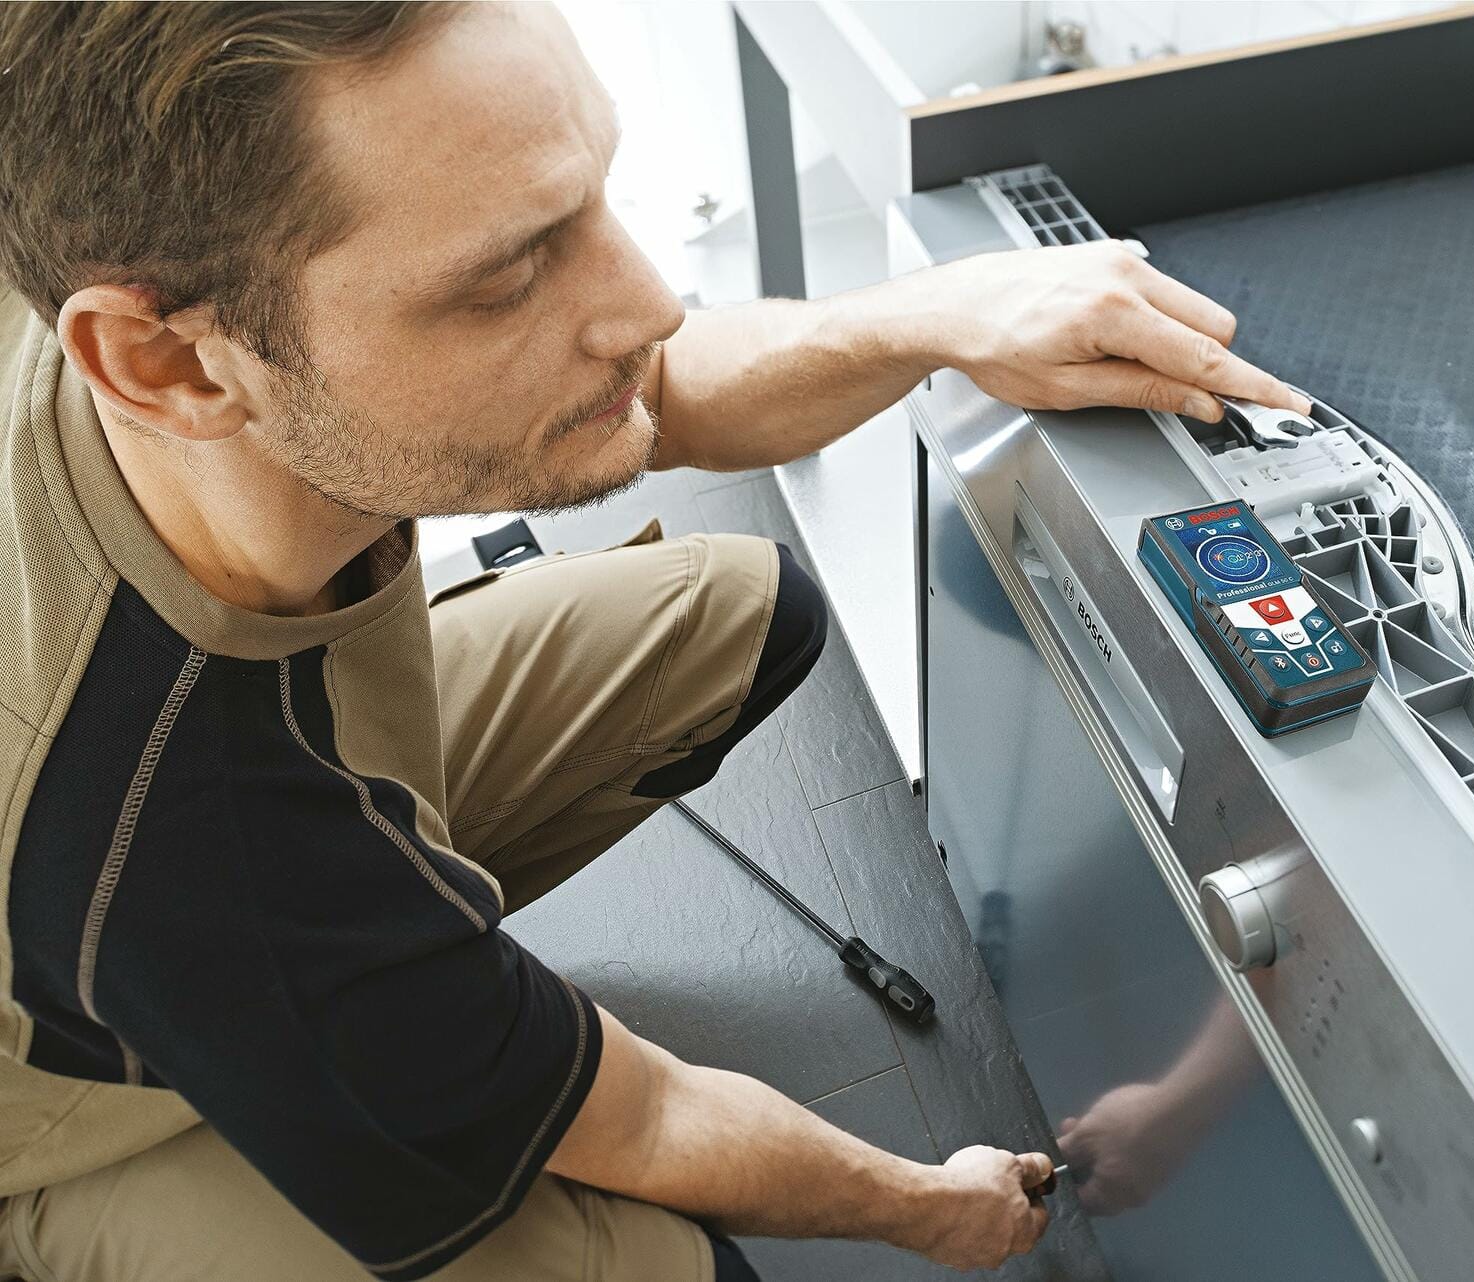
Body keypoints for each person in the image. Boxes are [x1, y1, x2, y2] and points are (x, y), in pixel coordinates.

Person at [0, 4, 1308, 1280]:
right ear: (169, 366)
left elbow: (653, 394)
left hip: (280, 806)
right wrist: (926, 1205)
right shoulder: (201, 842)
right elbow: (653, 1119)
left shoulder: (113, 227)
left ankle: (421, 992)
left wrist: (942, 316)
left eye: (594, 201)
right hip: (84, 1099)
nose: (653, 299)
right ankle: (398, 1037)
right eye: (512, 272)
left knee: (744, 615)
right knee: (667, 1261)